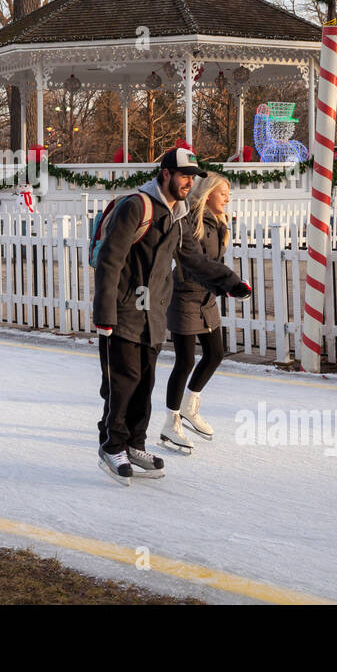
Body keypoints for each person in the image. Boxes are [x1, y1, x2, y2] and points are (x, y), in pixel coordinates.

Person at [92, 147, 251, 484]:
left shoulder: (178, 216)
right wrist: (104, 313)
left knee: (144, 383)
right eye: (183, 175)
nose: (188, 182)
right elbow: (110, 259)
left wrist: (231, 283)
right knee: (122, 383)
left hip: (154, 314)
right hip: (122, 312)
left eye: (192, 177)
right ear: (165, 174)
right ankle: (112, 445)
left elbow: (193, 260)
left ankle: (135, 444)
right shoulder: (136, 206)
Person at [160, 171, 247, 452]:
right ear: (208, 194)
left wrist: (222, 287)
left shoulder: (218, 222)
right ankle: (170, 423)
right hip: (185, 296)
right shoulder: (190, 221)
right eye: (223, 194)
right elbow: (194, 263)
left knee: (215, 353)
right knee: (184, 361)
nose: (227, 199)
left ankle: (189, 405)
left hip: (205, 297)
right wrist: (228, 283)